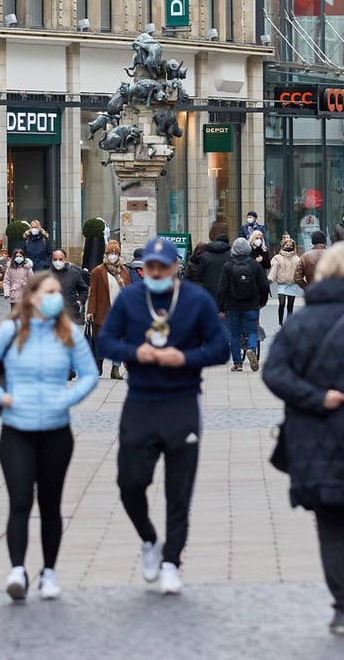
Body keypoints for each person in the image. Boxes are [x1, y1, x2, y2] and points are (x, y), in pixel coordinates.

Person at [262, 243, 344, 636]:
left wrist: (315, 397)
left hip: (313, 435)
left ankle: (342, 609)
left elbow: (274, 373)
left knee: (331, 521)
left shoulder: (301, 324)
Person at [94, 235, 231, 596]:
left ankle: (172, 560)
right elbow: (105, 342)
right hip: (140, 399)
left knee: (179, 490)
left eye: (161, 267)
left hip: (182, 400)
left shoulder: (196, 300)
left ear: (175, 268)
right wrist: (135, 352)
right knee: (129, 482)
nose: (154, 272)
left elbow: (221, 349)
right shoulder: (130, 298)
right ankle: (149, 538)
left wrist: (186, 358)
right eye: (148, 267)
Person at [0, 272, 100, 601]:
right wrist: (0, 397)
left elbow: (90, 374)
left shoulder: (68, 333)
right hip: (17, 431)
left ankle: (50, 572)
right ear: (32, 297)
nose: (57, 296)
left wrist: (66, 398)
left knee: (51, 504)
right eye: (50, 291)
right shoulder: (12, 331)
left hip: (56, 432)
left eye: (59, 291)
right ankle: (17, 570)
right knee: (21, 501)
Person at [219, 237, 271, 371]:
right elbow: (264, 285)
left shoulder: (228, 266)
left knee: (235, 334)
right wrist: (262, 302)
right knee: (252, 330)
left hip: (233, 305)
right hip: (251, 304)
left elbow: (222, 288)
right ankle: (251, 349)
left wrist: (222, 307)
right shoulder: (254, 265)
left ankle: (237, 364)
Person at [87, 240, 131, 379]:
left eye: (115, 253)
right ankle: (98, 364)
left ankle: (115, 368)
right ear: (106, 254)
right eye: (111, 253)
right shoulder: (98, 271)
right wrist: (90, 311)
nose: (113, 255)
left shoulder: (124, 272)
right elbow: (93, 293)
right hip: (103, 311)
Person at [186, 219, 233, 301]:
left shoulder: (206, 257)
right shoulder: (230, 256)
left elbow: (199, 275)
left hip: (207, 293)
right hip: (225, 297)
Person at [47, 248, 89, 324]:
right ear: (52, 260)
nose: (58, 262)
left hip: (70, 314)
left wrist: (79, 302)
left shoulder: (74, 273)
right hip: (51, 315)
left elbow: (84, 289)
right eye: (55, 259)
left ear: (65, 260)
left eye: (60, 259)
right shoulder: (47, 275)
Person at [269, 236, 303, 326]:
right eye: (286, 245)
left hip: (292, 284)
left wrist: (302, 281)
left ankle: (289, 322)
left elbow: (300, 270)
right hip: (282, 283)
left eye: (290, 245)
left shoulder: (297, 259)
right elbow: (273, 266)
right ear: (283, 246)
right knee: (282, 303)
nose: (288, 246)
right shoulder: (277, 257)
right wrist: (271, 278)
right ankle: (280, 322)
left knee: (290, 305)